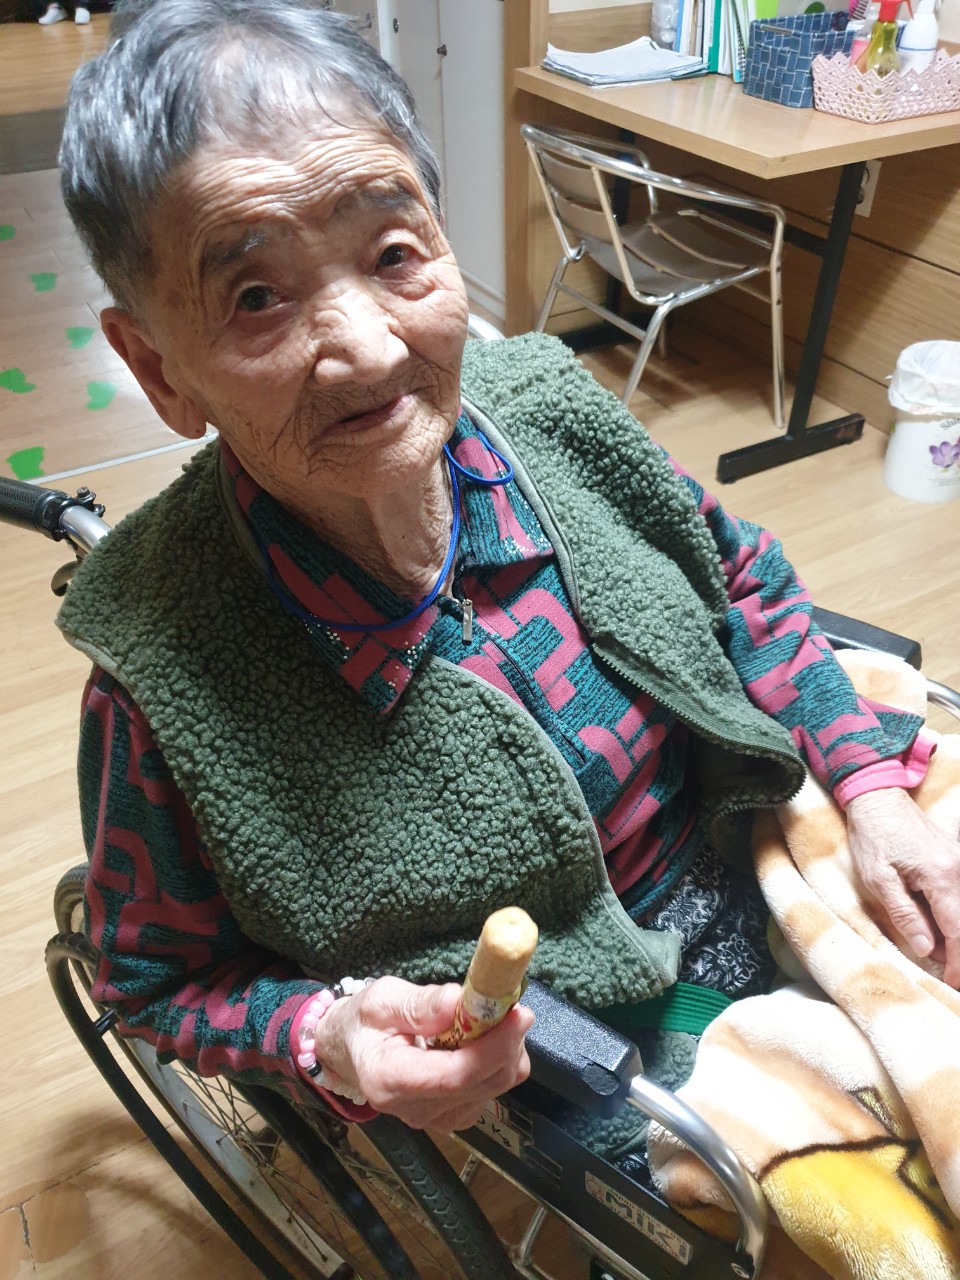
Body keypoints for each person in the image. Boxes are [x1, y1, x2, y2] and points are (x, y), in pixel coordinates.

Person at [56, 0, 960, 1137]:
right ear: (157, 369)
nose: (372, 349)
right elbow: (154, 982)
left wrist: (870, 790)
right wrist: (325, 1030)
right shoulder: (160, 677)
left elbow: (740, 581)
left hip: (768, 846)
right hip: (579, 1054)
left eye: (394, 254)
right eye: (256, 297)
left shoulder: (549, 407)